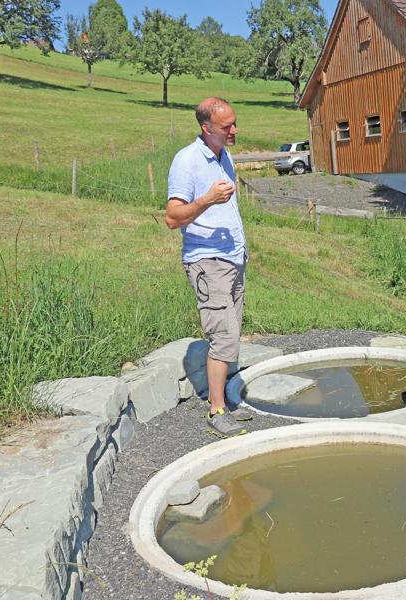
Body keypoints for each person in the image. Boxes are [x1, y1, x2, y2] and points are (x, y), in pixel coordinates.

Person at [166, 97, 251, 437]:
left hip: (233, 259)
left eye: (234, 122)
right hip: (207, 260)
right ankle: (217, 410)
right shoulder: (186, 161)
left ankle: (225, 404)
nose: (234, 130)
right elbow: (173, 218)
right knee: (223, 334)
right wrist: (206, 200)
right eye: (226, 126)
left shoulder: (223, 156)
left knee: (232, 332)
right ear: (206, 128)